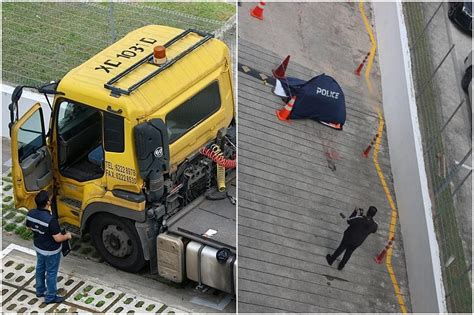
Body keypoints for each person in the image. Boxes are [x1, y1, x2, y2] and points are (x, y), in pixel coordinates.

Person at [26, 190, 72, 304]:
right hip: (51, 251)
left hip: (39, 247)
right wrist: (67, 236)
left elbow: (29, 228)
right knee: (51, 273)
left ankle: (40, 291)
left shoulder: (30, 213)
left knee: (40, 268)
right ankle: (51, 297)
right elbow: (58, 238)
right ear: (48, 203)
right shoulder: (51, 220)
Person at [326, 206, 378, 270]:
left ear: (367, 211)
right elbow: (373, 230)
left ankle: (331, 260)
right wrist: (362, 216)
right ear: (374, 215)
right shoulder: (374, 225)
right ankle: (341, 266)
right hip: (357, 242)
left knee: (341, 248)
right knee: (349, 253)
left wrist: (355, 212)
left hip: (348, 237)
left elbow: (349, 220)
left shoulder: (360, 218)